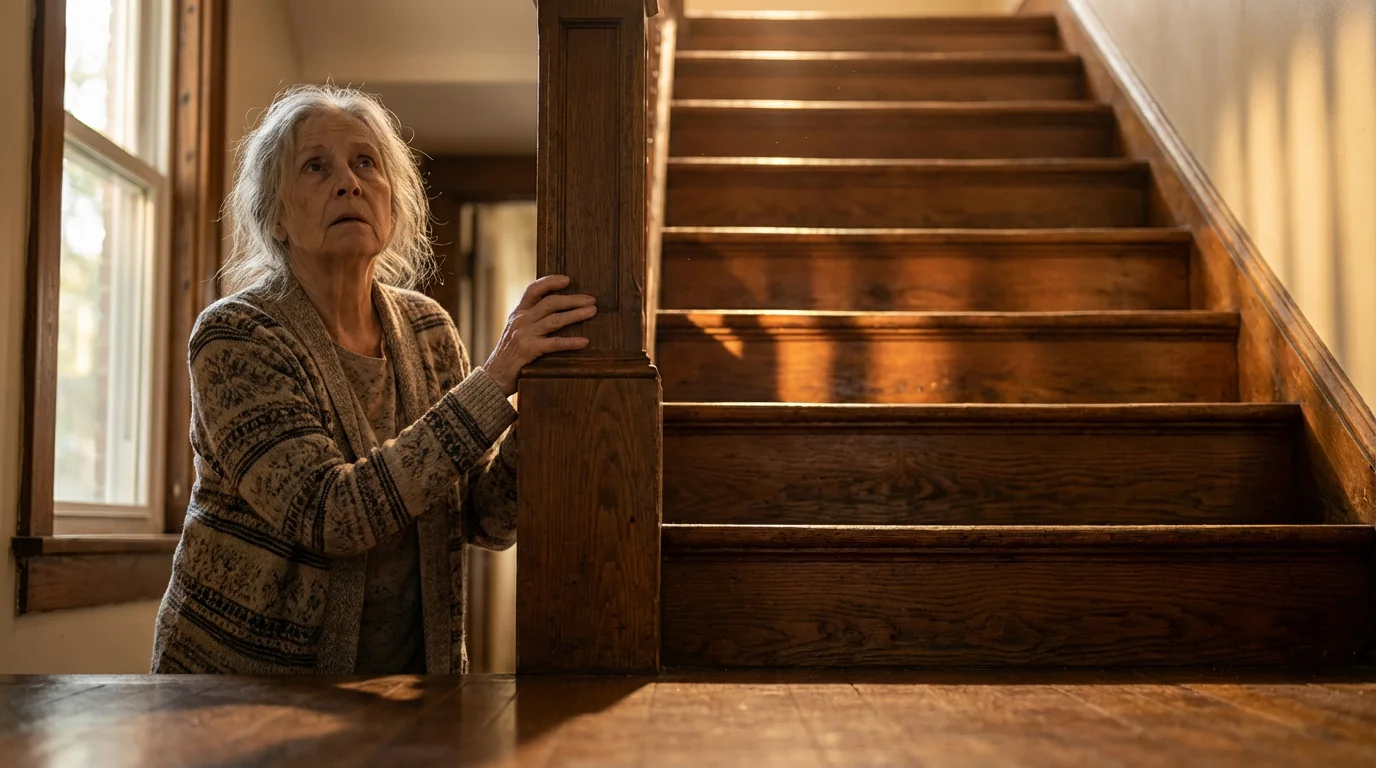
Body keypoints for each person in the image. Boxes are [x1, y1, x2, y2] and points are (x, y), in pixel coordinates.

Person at [150, 84, 594, 674]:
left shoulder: (429, 328)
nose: (348, 183)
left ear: (392, 203)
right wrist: (492, 384)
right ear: (274, 216)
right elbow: (329, 515)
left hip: (409, 686)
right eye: (316, 166)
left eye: (365, 163)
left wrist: (544, 395)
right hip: (235, 688)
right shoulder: (236, 335)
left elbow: (485, 518)